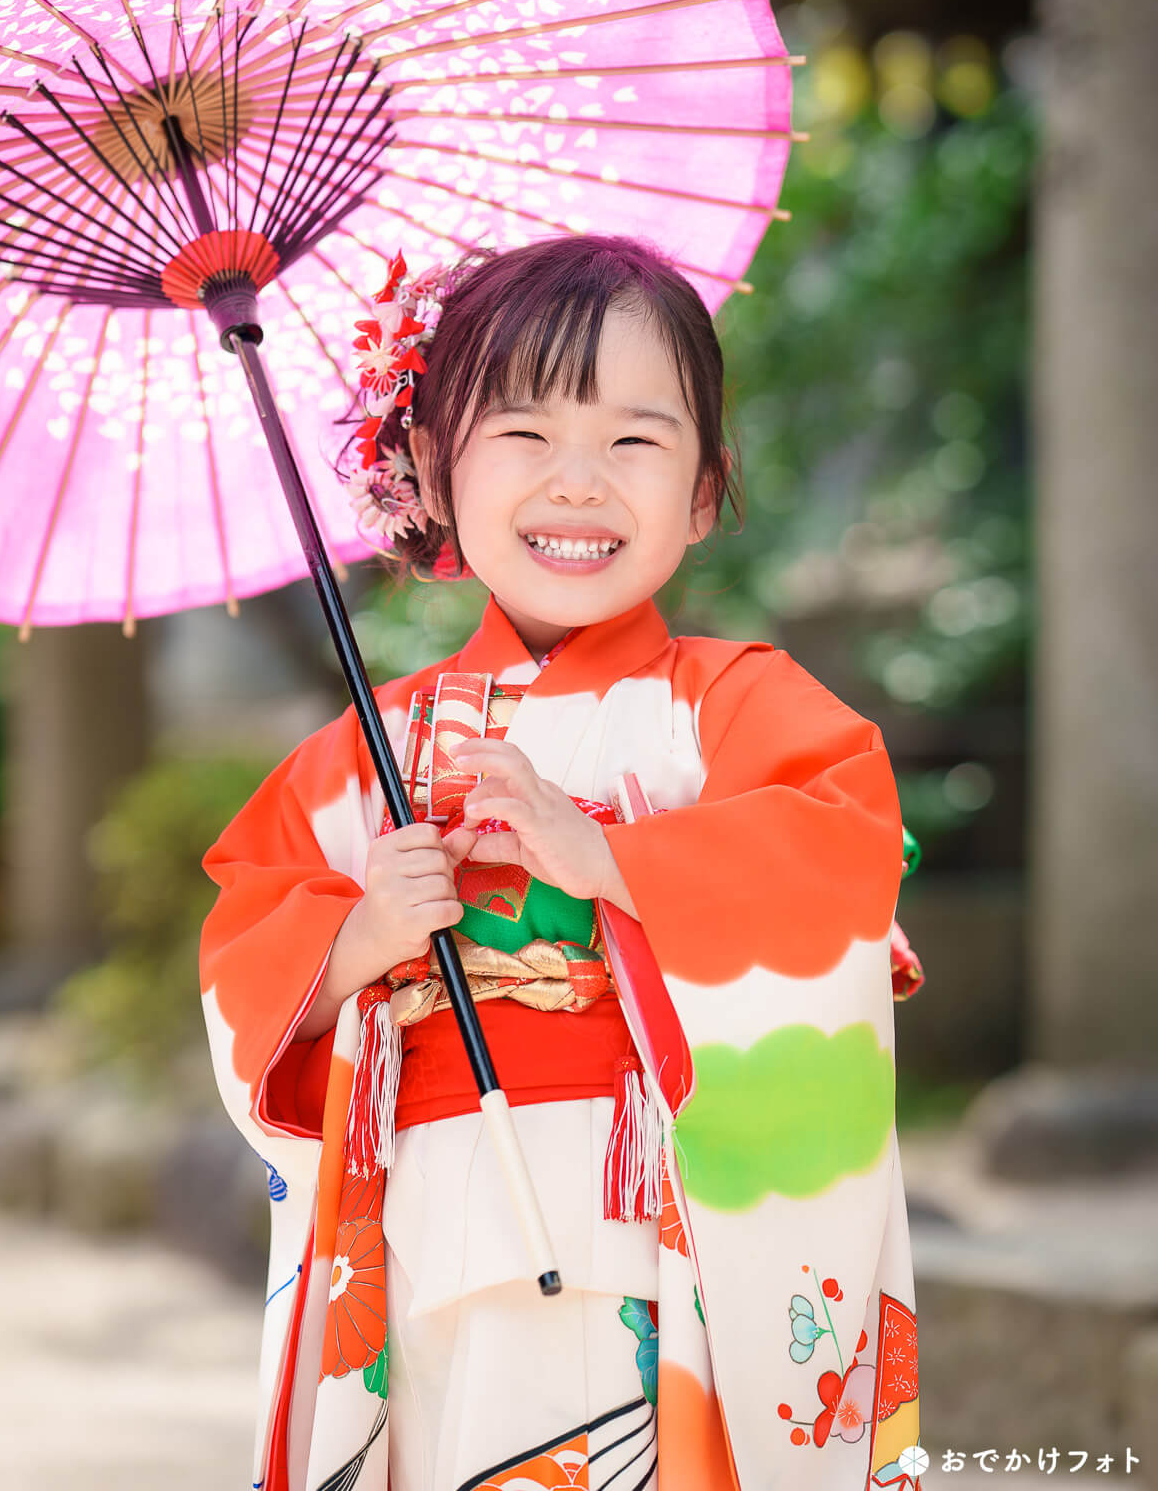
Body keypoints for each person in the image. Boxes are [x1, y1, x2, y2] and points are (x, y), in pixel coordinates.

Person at [198, 234, 925, 1491]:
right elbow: (245, 959)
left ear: (705, 490)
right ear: (432, 467)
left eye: (635, 441)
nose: (578, 482)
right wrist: (356, 940)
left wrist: (610, 857)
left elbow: (841, 862)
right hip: (428, 1227)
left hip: (660, 1232)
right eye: (522, 435)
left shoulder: (735, 702)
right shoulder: (347, 764)